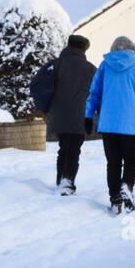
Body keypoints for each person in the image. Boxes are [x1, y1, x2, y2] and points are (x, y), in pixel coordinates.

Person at [84, 35, 135, 214]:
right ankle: (127, 186)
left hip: (108, 124)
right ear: (133, 50)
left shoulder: (104, 66)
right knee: (131, 161)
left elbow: (94, 93)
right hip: (130, 125)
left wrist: (88, 116)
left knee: (113, 163)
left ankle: (115, 198)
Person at [47, 34, 97, 195]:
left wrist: (46, 105)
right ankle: (67, 182)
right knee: (73, 149)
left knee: (63, 148)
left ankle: (60, 179)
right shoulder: (90, 68)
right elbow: (98, 93)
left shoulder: (55, 65)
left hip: (58, 115)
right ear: (84, 49)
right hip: (79, 115)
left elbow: (37, 85)